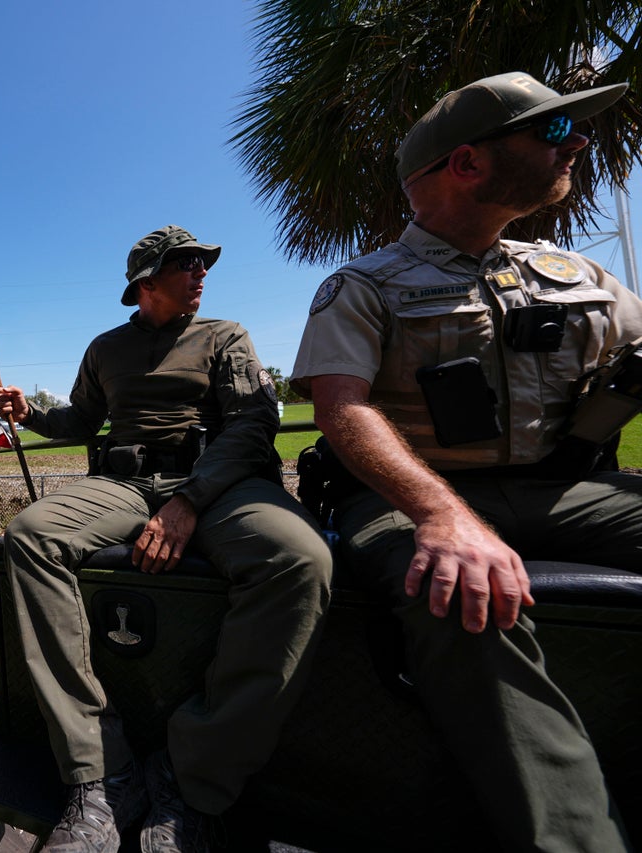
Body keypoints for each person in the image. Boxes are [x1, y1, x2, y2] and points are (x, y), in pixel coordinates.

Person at [291, 71, 640, 851]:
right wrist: (443, 513)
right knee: (460, 589)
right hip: (410, 496)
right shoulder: (365, 285)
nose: (578, 142)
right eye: (553, 132)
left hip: (563, 488)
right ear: (468, 164)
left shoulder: (580, 276)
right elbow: (341, 408)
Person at [0, 225, 332, 853]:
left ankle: (192, 778)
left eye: (205, 263)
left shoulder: (224, 336)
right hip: (124, 482)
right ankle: (101, 771)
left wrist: (189, 501)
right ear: (145, 282)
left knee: (300, 558)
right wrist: (29, 414)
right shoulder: (105, 347)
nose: (202, 272)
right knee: (27, 537)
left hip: (217, 481)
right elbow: (83, 420)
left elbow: (254, 422)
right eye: (188, 264)